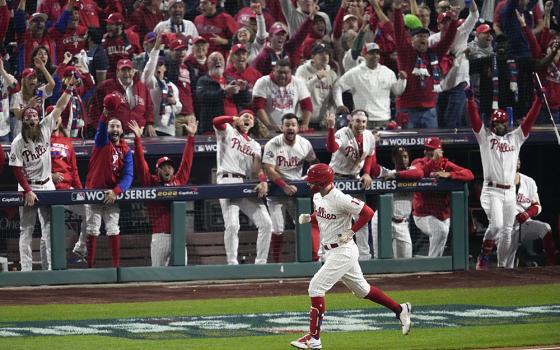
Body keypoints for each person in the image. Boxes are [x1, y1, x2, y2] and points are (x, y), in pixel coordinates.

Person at [292, 163, 411, 349]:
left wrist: (351, 231)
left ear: (322, 182)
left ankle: (314, 339)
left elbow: (367, 212)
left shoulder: (340, 198)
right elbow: (324, 213)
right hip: (331, 250)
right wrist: (310, 217)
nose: (309, 184)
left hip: (343, 250)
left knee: (315, 287)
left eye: (312, 181)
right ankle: (399, 309)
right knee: (362, 290)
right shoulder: (318, 196)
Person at [467, 88, 543, 270]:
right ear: (493, 124)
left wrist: (538, 101)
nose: (502, 125)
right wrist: (470, 101)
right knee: (497, 226)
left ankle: (503, 269)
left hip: (509, 191)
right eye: (499, 123)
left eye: (504, 122)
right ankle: (484, 255)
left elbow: (529, 121)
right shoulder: (485, 138)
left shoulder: (515, 138)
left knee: (508, 231)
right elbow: (475, 120)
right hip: (492, 190)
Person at [8, 78, 77, 271]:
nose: (31, 120)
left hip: (47, 184)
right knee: (26, 229)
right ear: (24, 120)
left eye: (34, 117)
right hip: (28, 186)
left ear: (38, 120)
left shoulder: (46, 126)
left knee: (50, 228)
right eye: (28, 118)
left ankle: (50, 268)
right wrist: (28, 191)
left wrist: (69, 88)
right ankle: (26, 271)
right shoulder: (18, 141)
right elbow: (15, 168)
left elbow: (60, 107)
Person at [129, 119, 197, 266]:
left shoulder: (178, 181)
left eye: (170, 167)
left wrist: (191, 137)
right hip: (160, 236)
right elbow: (141, 164)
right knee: (158, 274)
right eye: (163, 167)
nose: (167, 169)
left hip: (178, 235)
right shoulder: (151, 182)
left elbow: (186, 163)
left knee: (182, 272)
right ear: (157, 170)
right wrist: (137, 140)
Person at [213, 110, 273, 265]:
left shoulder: (254, 145)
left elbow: (257, 168)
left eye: (251, 118)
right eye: (245, 116)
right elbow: (216, 121)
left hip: (244, 183)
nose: (248, 118)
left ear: (253, 124)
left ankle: (261, 263)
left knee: (266, 223)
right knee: (232, 225)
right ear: (239, 119)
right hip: (226, 180)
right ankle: (232, 262)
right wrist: (233, 118)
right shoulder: (228, 131)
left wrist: (262, 180)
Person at [84, 93, 134, 269]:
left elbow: (128, 176)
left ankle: (115, 268)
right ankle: (90, 268)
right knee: (92, 229)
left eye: (117, 126)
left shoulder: (126, 150)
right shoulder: (101, 142)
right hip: (94, 192)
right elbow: (101, 128)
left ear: (121, 131)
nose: (114, 129)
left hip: (111, 195)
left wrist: (116, 191)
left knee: (113, 229)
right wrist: (105, 113)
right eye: (112, 126)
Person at [262, 113, 318, 262]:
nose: (290, 128)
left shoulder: (305, 144)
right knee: (278, 229)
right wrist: (284, 186)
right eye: (287, 125)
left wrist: (311, 179)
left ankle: (309, 258)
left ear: (298, 127)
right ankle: (276, 261)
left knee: (303, 225)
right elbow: (268, 169)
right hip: (276, 190)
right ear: (282, 127)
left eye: (293, 125)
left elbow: (314, 163)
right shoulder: (273, 144)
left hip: (296, 191)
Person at [324, 110, 376, 260]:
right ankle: (330, 255)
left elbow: (370, 155)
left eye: (364, 122)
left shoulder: (369, 136)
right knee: (335, 219)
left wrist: (366, 173)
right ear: (351, 121)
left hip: (355, 179)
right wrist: (330, 128)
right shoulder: (343, 133)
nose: (361, 124)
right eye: (358, 121)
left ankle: (364, 256)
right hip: (337, 179)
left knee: (363, 217)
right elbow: (332, 148)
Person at [411, 137, 474, 257]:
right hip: (423, 214)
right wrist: (433, 161)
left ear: (439, 152)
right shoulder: (418, 162)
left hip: (442, 213)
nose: (426, 152)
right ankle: (433, 265)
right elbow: (419, 173)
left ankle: (434, 263)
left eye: (430, 150)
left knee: (441, 237)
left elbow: (469, 175)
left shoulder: (446, 164)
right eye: (426, 149)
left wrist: (450, 174)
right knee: (441, 231)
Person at [497, 158, 559, 267]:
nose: (516, 161)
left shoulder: (529, 182)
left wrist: (527, 214)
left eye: (518, 159)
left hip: (525, 223)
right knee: (505, 266)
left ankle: (553, 265)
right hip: (507, 227)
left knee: (545, 228)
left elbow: (537, 206)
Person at [334, 42, 407, 129]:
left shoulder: (388, 72)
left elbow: (397, 91)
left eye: (377, 53)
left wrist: (402, 80)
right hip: (363, 120)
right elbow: (338, 86)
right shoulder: (355, 73)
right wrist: (340, 104)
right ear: (364, 55)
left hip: (383, 119)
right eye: (371, 53)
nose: (375, 56)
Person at [49, 107, 88, 260]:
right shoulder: (42, 140)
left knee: (89, 211)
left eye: (57, 115)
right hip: (50, 190)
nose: (55, 119)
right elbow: (36, 166)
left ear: (60, 120)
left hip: (68, 190)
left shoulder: (67, 142)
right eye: (51, 116)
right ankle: (51, 263)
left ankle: (81, 247)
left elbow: (74, 169)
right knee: (50, 228)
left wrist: (81, 192)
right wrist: (50, 176)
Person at [372, 146, 423, 259]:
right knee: (380, 259)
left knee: (406, 260)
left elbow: (419, 173)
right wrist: (372, 145)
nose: (403, 159)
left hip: (402, 223)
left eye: (405, 156)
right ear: (394, 159)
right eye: (399, 157)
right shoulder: (387, 173)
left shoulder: (412, 171)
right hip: (382, 221)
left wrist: (396, 176)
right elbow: (373, 167)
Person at [88, 58, 154, 136]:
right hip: (113, 136)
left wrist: (149, 123)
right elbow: (94, 110)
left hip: (138, 134)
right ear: (117, 72)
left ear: (133, 72)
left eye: (129, 70)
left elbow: (149, 108)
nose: (126, 74)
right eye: (123, 70)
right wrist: (100, 128)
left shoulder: (143, 87)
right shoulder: (105, 86)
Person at [197, 51, 252, 134]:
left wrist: (243, 90)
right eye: (214, 60)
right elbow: (203, 98)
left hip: (234, 128)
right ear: (208, 64)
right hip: (213, 128)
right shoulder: (203, 81)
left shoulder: (230, 80)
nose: (218, 61)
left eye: (220, 59)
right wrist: (224, 92)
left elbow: (246, 100)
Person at [252, 58, 313, 132]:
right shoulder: (263, 82)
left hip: (290, 129)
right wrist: (269, 126)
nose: (283, 75)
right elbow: (258, 106)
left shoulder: (298, 83)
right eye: (280, 72)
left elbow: (307, 105)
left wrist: (305, 124)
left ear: (291, 72)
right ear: (274, 71)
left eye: (286, 73)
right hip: (266, 130)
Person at [141, 34, 183, 136]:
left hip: (170, 129)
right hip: (154, 129)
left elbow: (179, 108)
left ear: (165, 68)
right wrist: (157, 47)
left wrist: (174, 102)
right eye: (155, 66)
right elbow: (149, 69)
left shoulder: (172, 86)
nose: (157, 68)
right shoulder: (151, 83)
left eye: (160, 65)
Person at [295, 43, 338, 130]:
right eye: (321, 54)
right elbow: (300, 92)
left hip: (322, 123)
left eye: (327, 54)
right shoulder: (302, 70)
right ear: (313, 56)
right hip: (303, 121)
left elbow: (333, 100)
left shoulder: (332, 74)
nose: (325, 56)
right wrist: (317, 78)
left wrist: (330, 114)